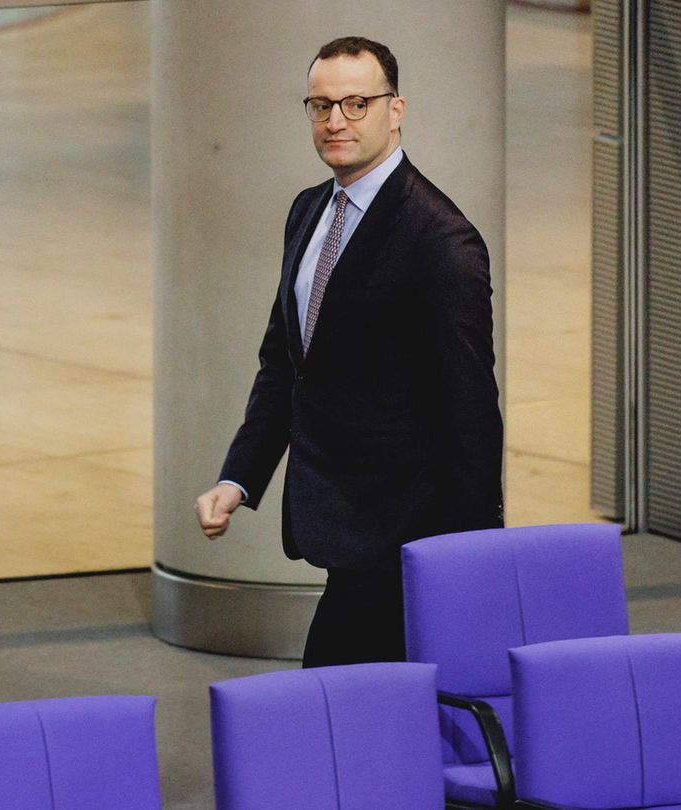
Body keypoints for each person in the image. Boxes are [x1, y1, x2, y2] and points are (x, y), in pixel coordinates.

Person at [193, 36, 503, 668]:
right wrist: (239, 477)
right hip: (341, 522)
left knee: (334, 696)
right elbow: (287, 365)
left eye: (357, 103)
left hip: (405, 535)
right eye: (321, 105)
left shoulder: (440, 240)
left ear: (396, 110)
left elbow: (471, 408)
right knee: (356, 708)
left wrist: (470, 558)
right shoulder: (309, 210)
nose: (336, 120)